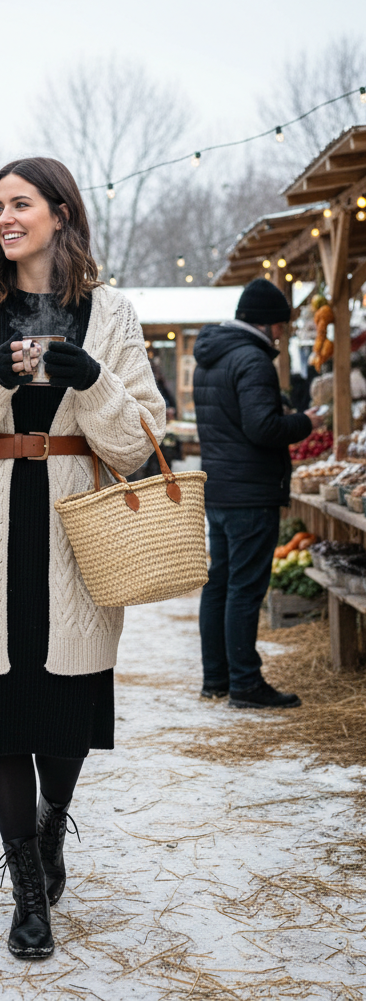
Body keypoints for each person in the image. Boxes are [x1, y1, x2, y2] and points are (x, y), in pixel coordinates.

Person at [0, 157, 165, 959]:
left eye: (20, 204)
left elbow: (135, 441)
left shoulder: (110, 312)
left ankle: (53, 825)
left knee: (64, 722)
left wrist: (92, 383)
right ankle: (27, 892)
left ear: (60, 211)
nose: (4, 218)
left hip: (72, 531)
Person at [193, 278, 321, 709]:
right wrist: (305, 421)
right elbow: (263, 428)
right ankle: (245, 685)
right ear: (267, 323)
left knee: (221, 586)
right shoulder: (253, 360)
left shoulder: (212, 356)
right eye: (282, 325)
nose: (283, 333)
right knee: (244, 591)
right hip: (250, 492)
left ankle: (217, 679)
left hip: (221, 488)